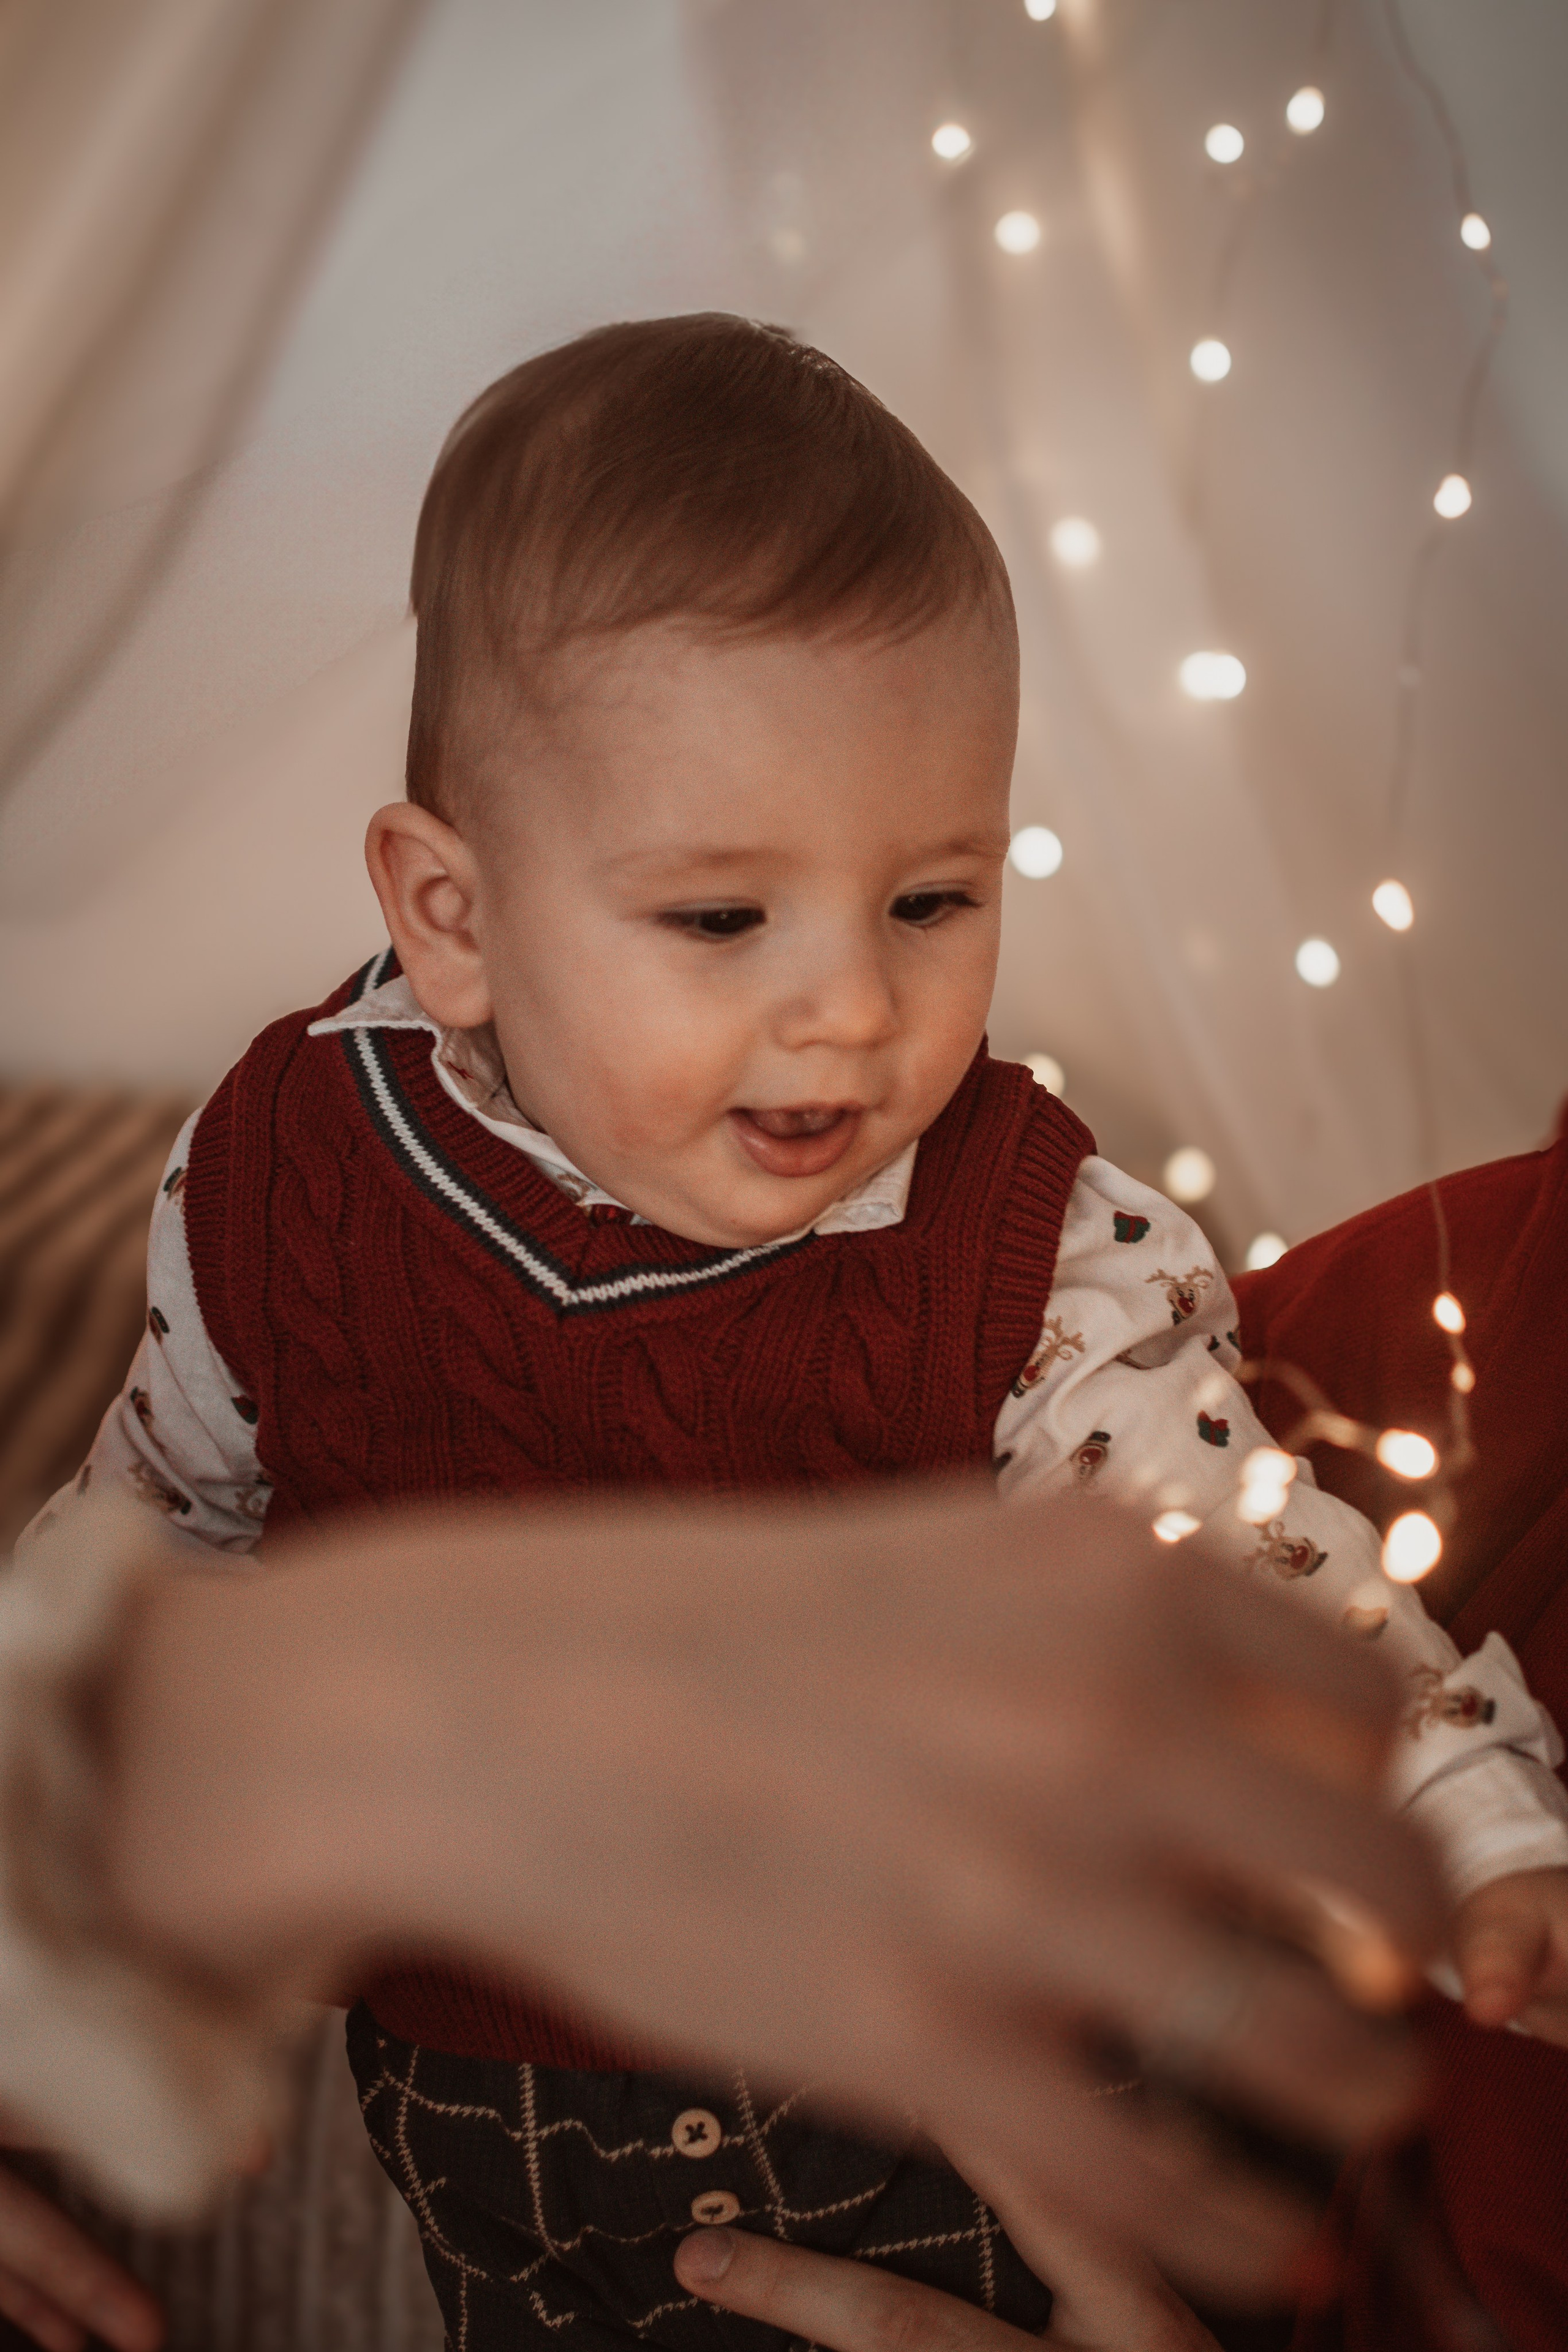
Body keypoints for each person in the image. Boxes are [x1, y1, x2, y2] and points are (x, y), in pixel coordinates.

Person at [21, 314, 1568, 2346]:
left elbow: (1259, 1548)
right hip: (492, 2134)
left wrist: (1473, 1830)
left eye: (932, 900)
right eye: (724, 920)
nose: (851, 1010)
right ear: (452, 917)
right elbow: (141, 1534)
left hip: (936, 2118)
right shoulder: (284, 1177)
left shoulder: (1030, 1245)